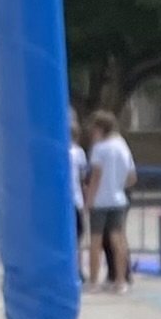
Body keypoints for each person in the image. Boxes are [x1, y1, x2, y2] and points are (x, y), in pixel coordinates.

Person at [84, 110, 136, 289]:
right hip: (118, 199)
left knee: (95, 241)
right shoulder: (122, 146)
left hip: (100, 201)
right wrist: (117, 186)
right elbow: (132, 177)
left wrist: (89, 200)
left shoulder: (99, 149)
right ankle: (120, 280)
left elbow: (96, 176)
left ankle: (93, 281)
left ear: (99, 128)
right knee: (118, 240)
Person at [68, 114, 92, 283]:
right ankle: (77, 268)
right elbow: (83, 178)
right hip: (75, 199)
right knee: (78, 236)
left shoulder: (58, 152)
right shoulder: (78, 153)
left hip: (63, 201)